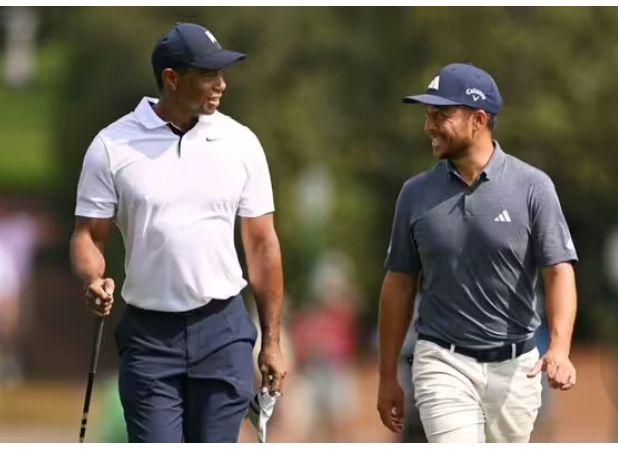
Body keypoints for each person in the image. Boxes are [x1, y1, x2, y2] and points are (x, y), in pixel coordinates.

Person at [70, 22, 286, 443]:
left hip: (223, 329)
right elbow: (88, 236)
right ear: (172, 78)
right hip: (151, 338)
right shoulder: (112, 146)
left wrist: (272, 341)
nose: (221, 84)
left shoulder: (241, 143)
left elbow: (262, 247)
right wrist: (93, 279)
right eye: (208, 74)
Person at [377, 62, 578, 443]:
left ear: (479, 119)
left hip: (518, 367)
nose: (429, 126)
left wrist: (560, 348)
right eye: (427, 115)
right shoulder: (414, 194)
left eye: (441, 115)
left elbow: (559, 271)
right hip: (442, 360)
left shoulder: (533, 187)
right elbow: (399, 285)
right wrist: (387, 376)